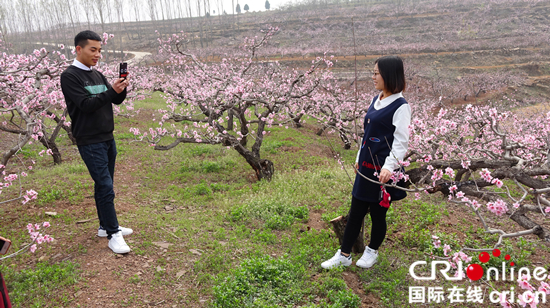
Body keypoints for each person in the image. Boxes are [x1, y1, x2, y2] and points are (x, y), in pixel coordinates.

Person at [321, 56, 411, 269]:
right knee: (356, 209)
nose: (373, 77)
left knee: (378, 213)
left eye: (376, 73)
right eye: (373, 73)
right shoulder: (376, 100)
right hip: (366, 166)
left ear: (388, 75)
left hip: (383, 170)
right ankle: (344, 254)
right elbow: (367, 134)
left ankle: (372, 251)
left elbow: (401, 142)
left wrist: (389, 167)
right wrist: (358, 159)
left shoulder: (400, 106)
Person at [60, 30, 132, 254]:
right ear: (78, 49)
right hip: (90, 141)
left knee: (105, 183)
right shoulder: (69, 76)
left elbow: (115, 101)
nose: (98, 54)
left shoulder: (97, 74)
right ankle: (113, 234)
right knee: (105, 185)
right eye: (93, 50)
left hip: (107, 137)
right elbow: (86, 105)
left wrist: (121, 87)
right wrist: (110, 92)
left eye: (100, 50)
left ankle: (104, 226)